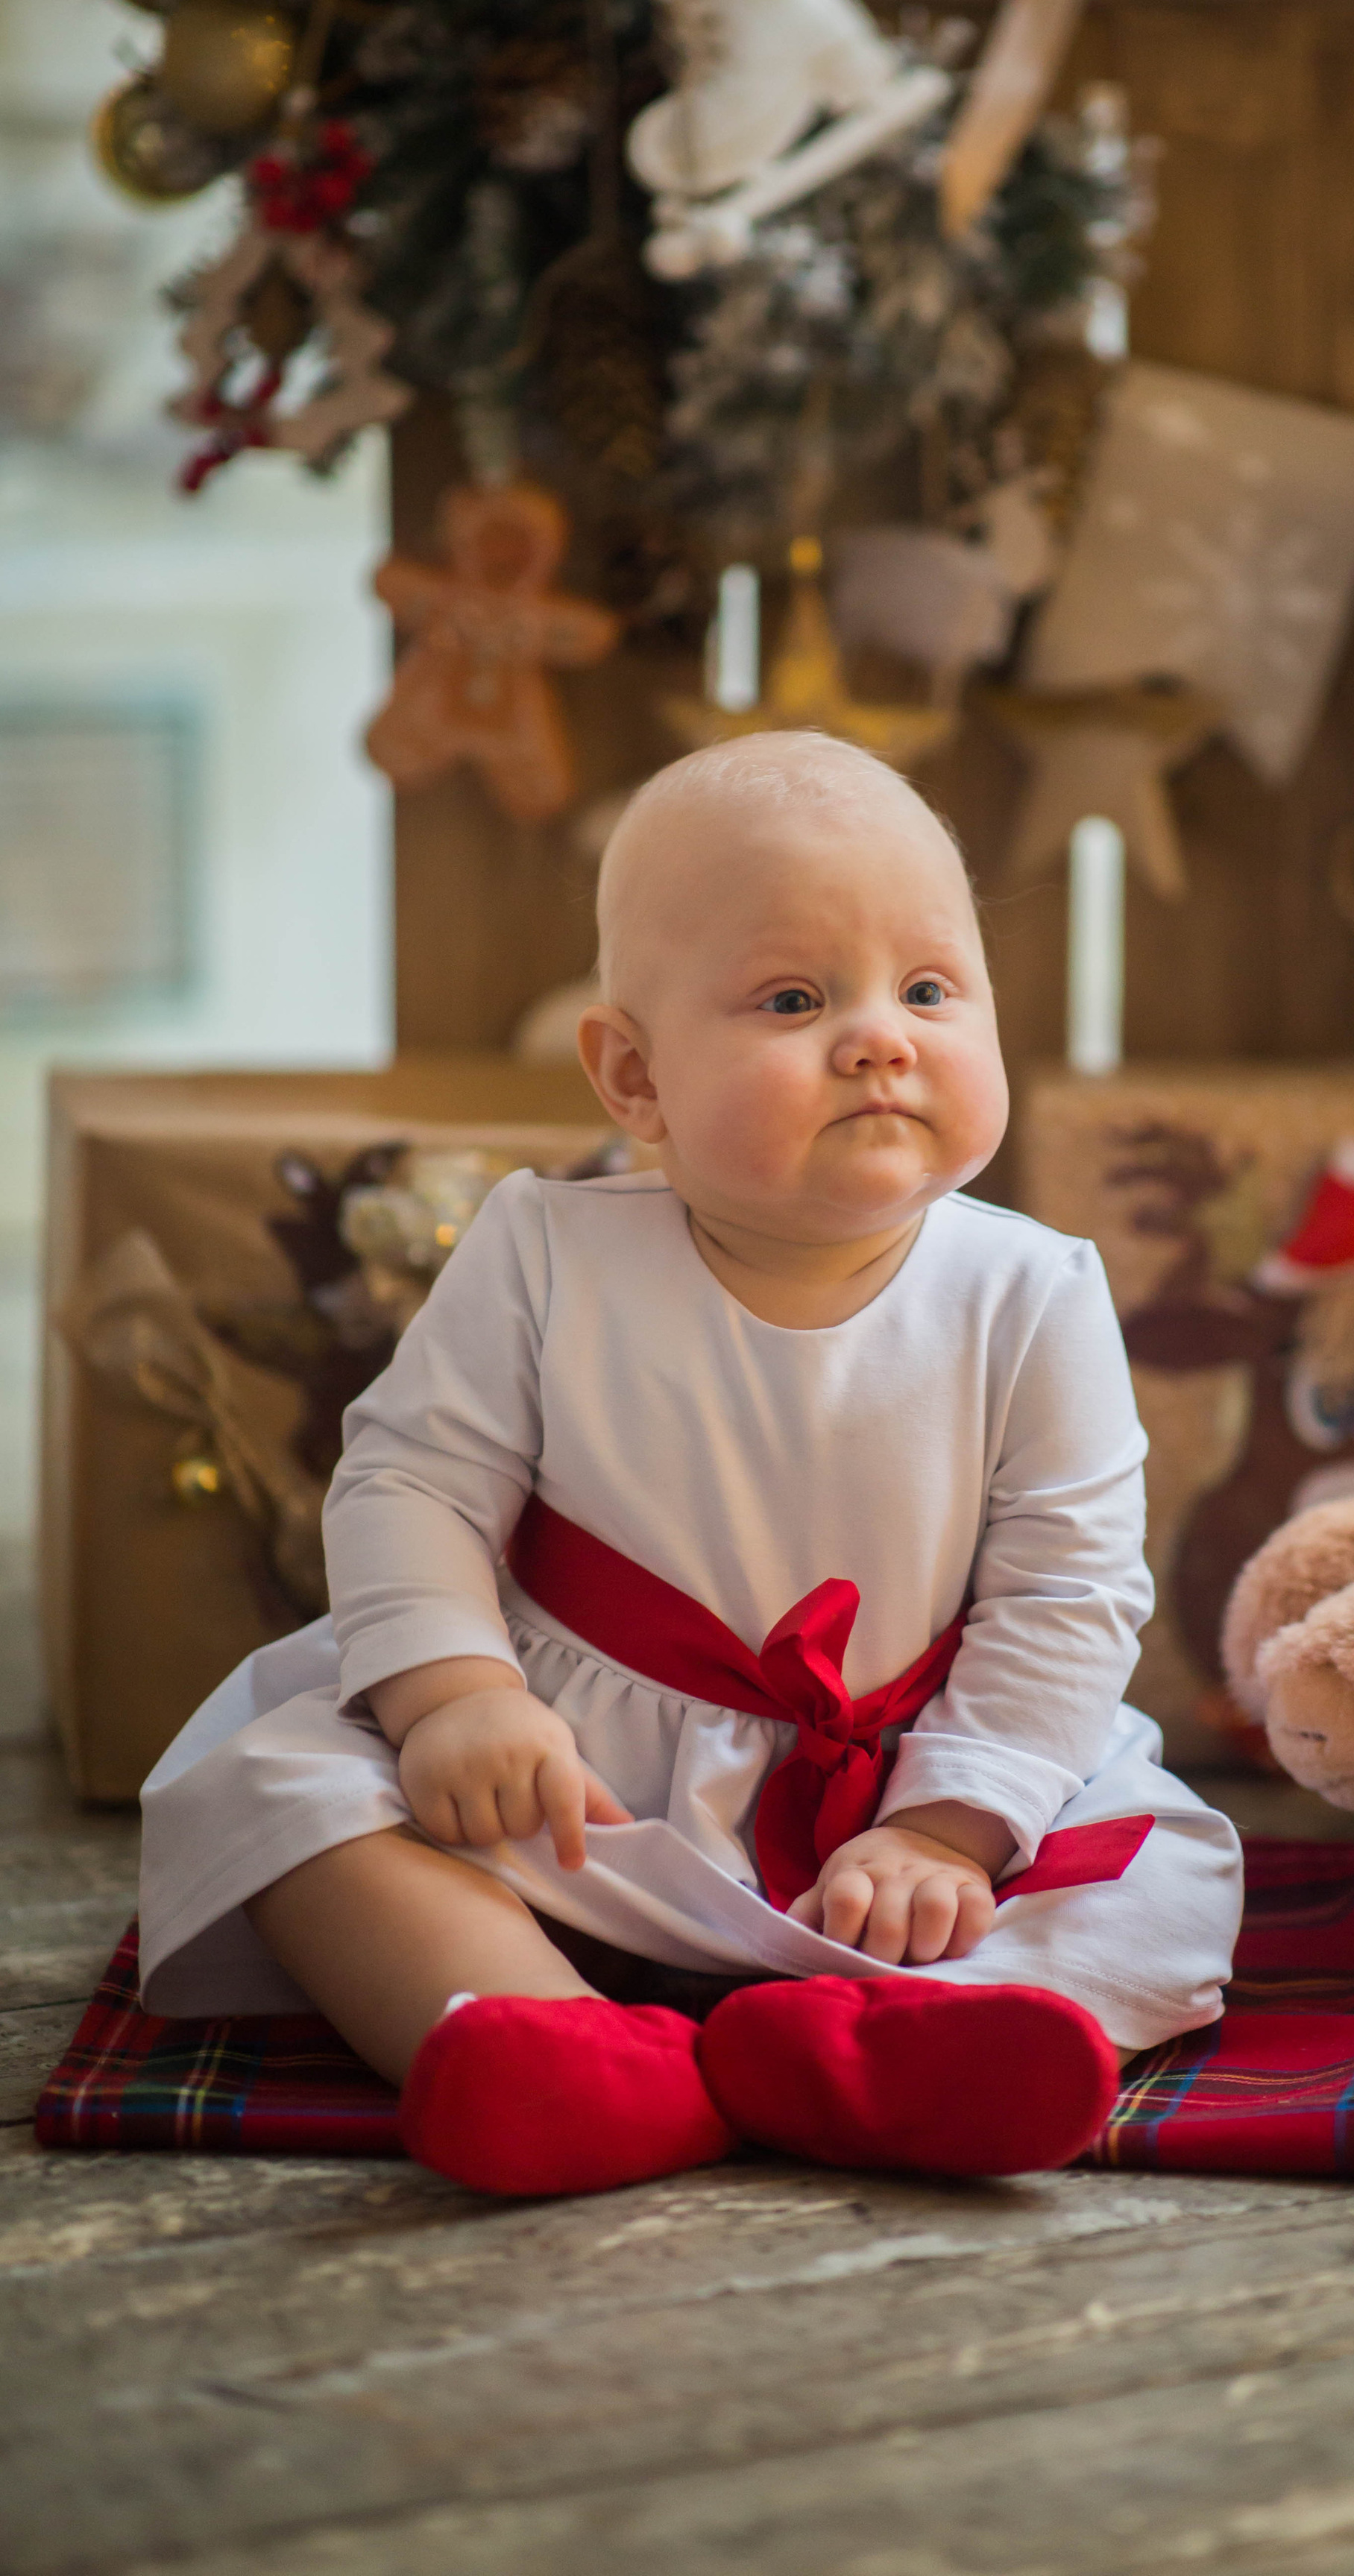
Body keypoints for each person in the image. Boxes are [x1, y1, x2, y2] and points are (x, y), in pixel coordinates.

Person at [139, 732, 1244, 2194]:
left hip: (906, 1798)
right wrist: (458, 1701)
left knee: (1167, 1878)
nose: (880, 1038)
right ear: (634, 1075)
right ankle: (555, 2043)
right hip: (571, 1791)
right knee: (277, 1788)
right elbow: (412, 1483)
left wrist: (948, 1830)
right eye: (795, 999)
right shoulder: (545, 1252)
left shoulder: (1033, 1294)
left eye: (928, 990)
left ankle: (884, 2050)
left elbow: (1069, 1590)